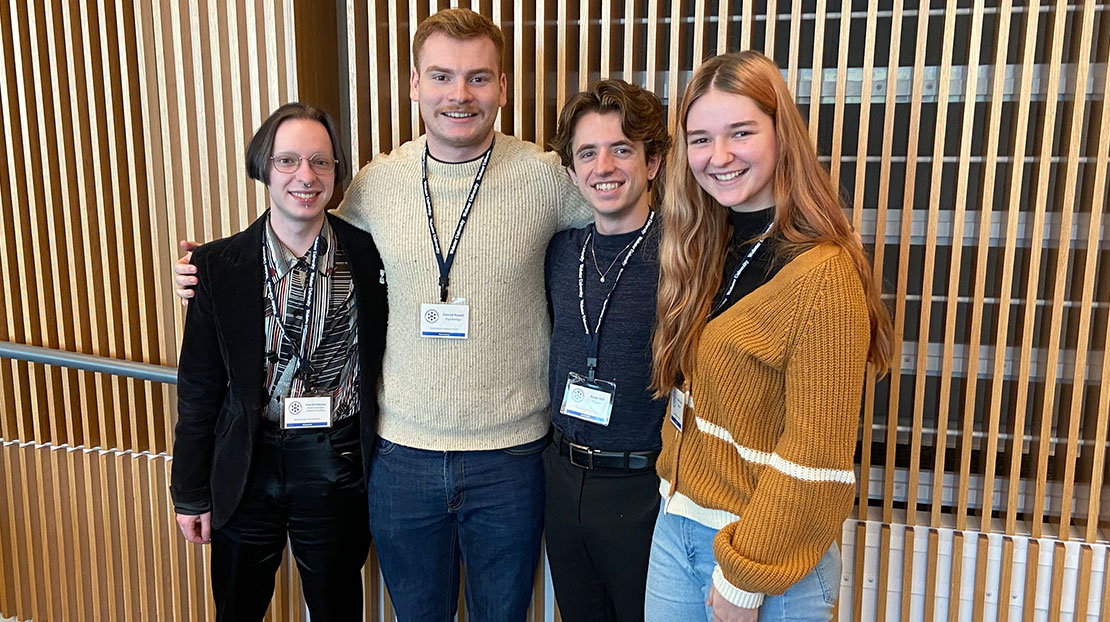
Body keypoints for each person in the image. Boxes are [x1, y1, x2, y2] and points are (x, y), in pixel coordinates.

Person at [174, 9, 590, 621]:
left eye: (478, 78)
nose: (459, 95)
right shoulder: (376, 184)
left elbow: (626, 218)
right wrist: (210, 274)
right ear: (415, 85)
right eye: (442, 77)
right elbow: (302, 226)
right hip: (401, 457)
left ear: (502, 87)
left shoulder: (549, 178)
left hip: (513, 459)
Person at [643, 51, 893, 622]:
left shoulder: (822, 274)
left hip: (763, 560)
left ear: (782, 133)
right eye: (700, 138)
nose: (719, 156)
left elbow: (817, 458)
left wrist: (744, 577)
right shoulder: (711, 247)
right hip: (677, 524)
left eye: (741, 133)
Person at [170, 102, 388, 620]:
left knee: (337, 606)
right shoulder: (215, 266)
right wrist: (189, 491)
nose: (305, 177)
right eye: (288, 161)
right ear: (264, 167)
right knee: (238, 607)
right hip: (247, 462)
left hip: (336, 460)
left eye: (321, 162)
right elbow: (198, 389)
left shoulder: (371, 255)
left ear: (337, 173)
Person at [542, 79, 670, 622]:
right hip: (563, 476)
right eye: (588, 154)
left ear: (653, 162)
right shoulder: (560, 251)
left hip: (646, 489)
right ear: (571, 173)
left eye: (622, 149)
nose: (605, 167)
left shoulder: (684, 256)